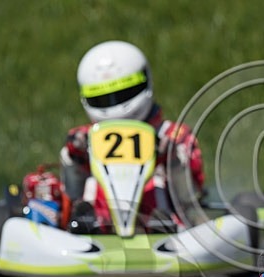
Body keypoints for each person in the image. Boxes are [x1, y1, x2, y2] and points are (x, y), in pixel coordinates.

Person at [22, 40, 205, 233]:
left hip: (163, 215)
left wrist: (173, 159)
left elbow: (193, 193)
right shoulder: (83, 138)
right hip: (100, 217)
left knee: (158, 180)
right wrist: (76, 157)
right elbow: (72, 187)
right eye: (101, 97)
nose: (114, 105)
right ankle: (80, 223)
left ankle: (162, 223)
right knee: (79, 181)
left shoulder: (173, 135)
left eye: (125, 92)